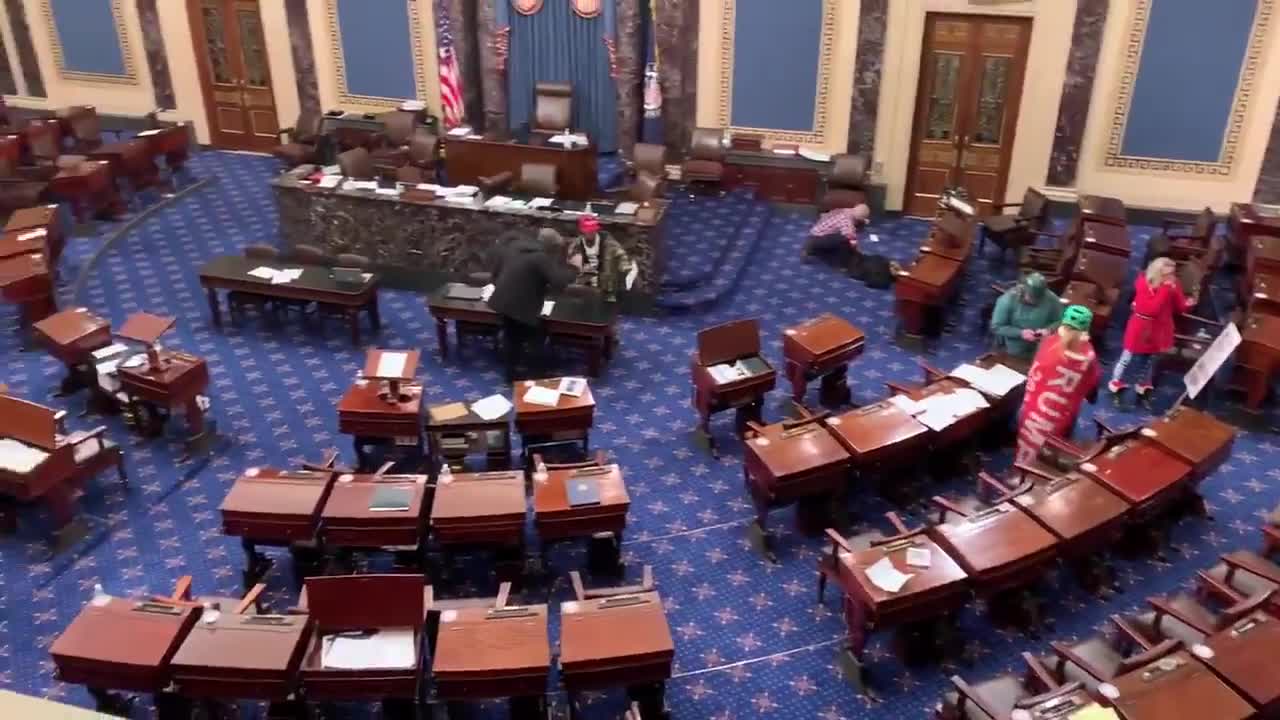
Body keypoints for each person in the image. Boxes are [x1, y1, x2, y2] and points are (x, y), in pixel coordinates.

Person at [487, 228, 580, 381]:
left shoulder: (516, 247)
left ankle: (511, 374)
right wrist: (574, 268)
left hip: (502, 299)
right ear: (551, 247)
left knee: (511, 336)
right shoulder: (540, 258)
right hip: (522, 305)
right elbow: (559, 282)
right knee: (537, 336)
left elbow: (496, 272)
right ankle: (536, 375)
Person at [1015, 304, 1101, 465]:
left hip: (1033, 409)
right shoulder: (1088, 354)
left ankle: (1021, 470)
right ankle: (1037, 475)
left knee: (1027, 443)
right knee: (1050, 447)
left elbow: (1035, 370)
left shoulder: (1048, 343)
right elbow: (1092, 382)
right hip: (1061, 414)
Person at [1107, 256, 1197, 407]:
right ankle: (1116, 384)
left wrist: (1188, 303)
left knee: (1149, 360)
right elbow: (1152, 309)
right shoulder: (1144, 284)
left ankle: (1143, 386)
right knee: (1127, 358)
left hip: (1159, 328)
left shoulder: (1172, 285)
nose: (1170, 277)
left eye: (1172, 274)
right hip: (1140, 326)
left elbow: (1180, 307)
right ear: (1157, 273)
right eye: (1166, 274)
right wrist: (1167, 289)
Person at [989, 272, 1063, 360]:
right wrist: (1020, 333)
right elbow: (996, 327)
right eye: (1032, 298)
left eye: (1039, 299)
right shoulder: (1007, 300)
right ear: (1023, 291)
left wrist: (1049, 330)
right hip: (1011, 349)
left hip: (1040, 348)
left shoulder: (1051, 299)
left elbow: (1060, 321)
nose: (1036, 302)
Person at [568, 214, 635, 299]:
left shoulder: (609, 243)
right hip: (584, 287)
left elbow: (622, 257)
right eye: (588, 230)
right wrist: (579, 268)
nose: (590, 232)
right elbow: (570, 262)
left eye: (592, 229)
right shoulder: (576, 245)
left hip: (607, 288)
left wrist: (623, 268)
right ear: (582, 231)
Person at [802, 203, 870, 274]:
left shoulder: (846, 210)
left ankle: (814, 249)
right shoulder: (847, 221)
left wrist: (863, 220)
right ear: (859, 217)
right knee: (844, 240)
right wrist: (857, 250)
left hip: (816, 231)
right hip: (818, 238)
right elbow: (850, 237)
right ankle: (839, 265)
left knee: (839, 237)